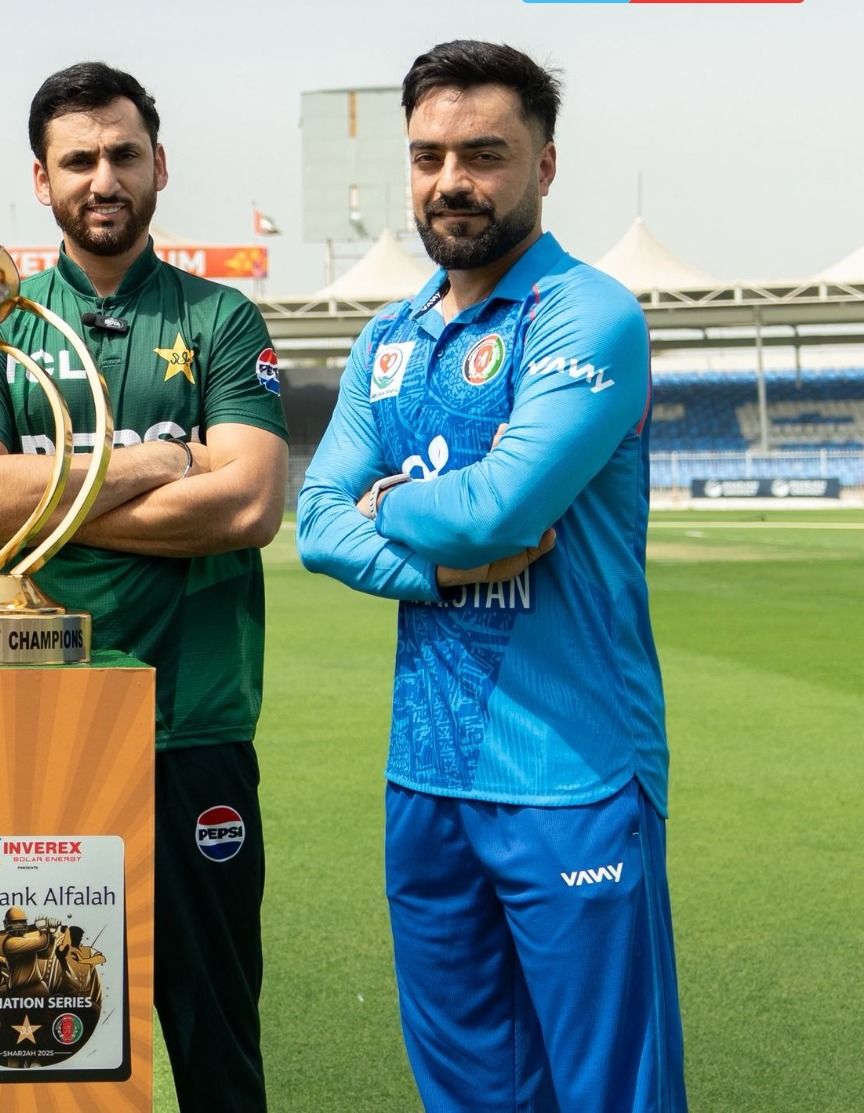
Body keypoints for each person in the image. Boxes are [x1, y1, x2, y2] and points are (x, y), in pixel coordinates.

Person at [296, 40, 686, 1112]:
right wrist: (438, 572)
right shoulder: (390, 334)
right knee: (468, 1091)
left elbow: (500, 510)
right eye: (427, 156)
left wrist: (390, 502)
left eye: (483, 153)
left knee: (608, 1091)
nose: (450, 181)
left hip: (571, 776)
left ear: (545, 165)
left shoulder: (585, 312)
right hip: (424, 778)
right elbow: (315, 525)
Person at [0, 62, 288, 1111]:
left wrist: (55, 498)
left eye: (123, 154)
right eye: (79, 159)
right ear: (40, 180)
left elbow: (247, 509)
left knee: (214, 1035)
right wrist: (160, 459)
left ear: (159, 166)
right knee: (33, 1043)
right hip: (32, 716)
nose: (104, 177)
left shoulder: (221, 320)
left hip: (193, 723)